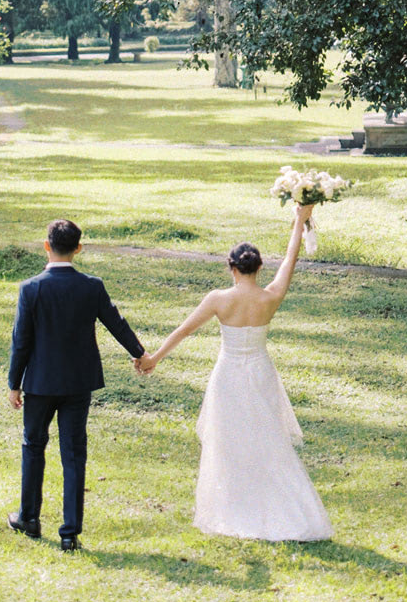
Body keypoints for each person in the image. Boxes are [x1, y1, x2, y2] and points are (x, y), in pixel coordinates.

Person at [137, 203, 332, 541]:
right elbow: (289, 262)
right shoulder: (270, 296)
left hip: (228, 374)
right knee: (268, 440)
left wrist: (155, 358)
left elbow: (184, 331)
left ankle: (233, 507)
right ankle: (277, 506)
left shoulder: (218, 299)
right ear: (258, 268)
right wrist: (299, 223)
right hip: (260, 371)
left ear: (232, 268)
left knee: (228, 441)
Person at [7, 218, 147, 551]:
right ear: (78, 249)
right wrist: (140, 353)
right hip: (77, 384)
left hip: (40, 383)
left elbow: (21, 341)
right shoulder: (92, 286)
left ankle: (29, 517)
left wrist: (14, 383)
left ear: (46, 245)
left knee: (33, 446)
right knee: (73, 454)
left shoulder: (31, 288)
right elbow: (116, 322)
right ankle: (70, 532)